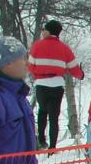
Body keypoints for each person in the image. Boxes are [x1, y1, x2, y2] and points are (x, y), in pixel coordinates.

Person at [27, 19, 85, 149]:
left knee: (42, 111)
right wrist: (81, 75)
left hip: (41, 83)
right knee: (54, 117)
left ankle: (41, 139)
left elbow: (30, 65)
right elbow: (73, 68)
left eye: (43, 29)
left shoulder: (37, 45)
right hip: (57, 85)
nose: (42, 32)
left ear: (48, 31)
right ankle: (52, 146)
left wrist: (36, 74)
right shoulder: (64, 48)